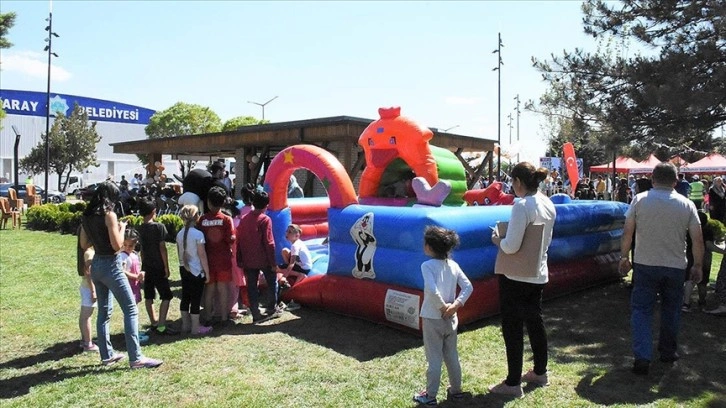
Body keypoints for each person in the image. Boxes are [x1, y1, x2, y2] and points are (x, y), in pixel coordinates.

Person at [619, 162, 703, 375]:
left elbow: (627, 232)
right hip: (675, 266)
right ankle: (667, 351)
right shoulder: (686, 205)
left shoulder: (640, 200)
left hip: (645, 264)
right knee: (671, 310)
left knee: (641, 310)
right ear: (676, 181)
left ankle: (642, 356)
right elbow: (697, 239)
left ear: (653, 179)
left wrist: (623, 256)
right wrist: (698, 265)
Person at [489, 162, 556, 398]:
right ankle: (540, 371)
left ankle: (513, 382)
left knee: (513, 327)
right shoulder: (548, 203)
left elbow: (511, 246)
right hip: (537, 273)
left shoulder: (521, 206)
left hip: (515, 276)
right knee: (535, 322)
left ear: (518, 182)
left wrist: (497, 239)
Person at [79, 181, 162, 369]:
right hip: (111, 264)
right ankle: (136, 357)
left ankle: (106, 355)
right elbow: (117, 246)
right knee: (131, 309)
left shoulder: (87, 216)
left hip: (97, 265)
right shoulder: (109, 215)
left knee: (104, 311)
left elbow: (84, 244)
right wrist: (122, 227)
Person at [412, 226, 473, 406]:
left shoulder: (427, 266)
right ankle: (456, 391)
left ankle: (430, 395)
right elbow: (468, 286)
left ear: (430, 247)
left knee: (434, 358)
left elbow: (431, 289)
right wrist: (455, 306)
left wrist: (442, 307)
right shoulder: (453, 265)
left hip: (433, 318)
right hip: (451, 319)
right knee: (452, 355)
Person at [236, 190, 279, 323]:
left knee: (252, 286)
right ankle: (271, 307)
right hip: (264, 259)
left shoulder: (244, 219)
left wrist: (240, 258)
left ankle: (255, 312)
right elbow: (269, 242)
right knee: (272, 282)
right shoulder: (265, 219)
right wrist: (273, 263)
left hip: (248, 259)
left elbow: (240, 239)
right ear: (266, 205)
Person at [136, 198, 176, 335]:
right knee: (166, 296)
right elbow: (162, 248)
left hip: (146, 266)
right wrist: (166, 266)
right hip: (158, 265)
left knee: (149, 296)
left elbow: (141, 249)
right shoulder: (159, 227)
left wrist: (143, 264)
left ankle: (153, 322)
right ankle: (162, 324)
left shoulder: (140, 228)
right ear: (154, 211)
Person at [198, 186, 236, 325]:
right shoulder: (227, 219)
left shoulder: (201, 220)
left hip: (207, 261)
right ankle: (225, 318)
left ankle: (208, 317)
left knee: (209, 289)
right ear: (223, 203)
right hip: (223, 259)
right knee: (222, 288)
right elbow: (231, 239)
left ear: (208, 201)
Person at [176, 204, 213, 335]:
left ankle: (185, 325)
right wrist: (207, 273)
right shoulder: (198, 234)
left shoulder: (179, 234)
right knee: (196, 299)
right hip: (196, 271)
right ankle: (195, 327)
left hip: (183, 269)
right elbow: (202, 255)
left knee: (185, 297)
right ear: (196, 217)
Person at [683, 211, 722, 313]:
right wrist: (721, 251)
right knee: (703, 283)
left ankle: (686, 303)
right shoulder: (708, 231)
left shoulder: (688, 229)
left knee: (689, 280)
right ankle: (702, 302)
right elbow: (708, 244)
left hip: (691, 256)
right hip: (705, 258)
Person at [119, 228, 150, 345]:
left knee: (135, 310)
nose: (127, 247)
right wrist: (135, 276)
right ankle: (132, 334)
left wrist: (141, 274)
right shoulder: (122, 256)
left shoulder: (134, 255)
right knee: (131, 311)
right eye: (125, 244)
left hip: (135, 286)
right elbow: (122, 271)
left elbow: (138, 268)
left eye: (130, 245)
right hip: (127, 287)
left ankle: (134, 331)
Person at [77, 236, 98, 353]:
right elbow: (88, 273)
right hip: (88, 288)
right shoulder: (90, 253)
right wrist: (93, 290)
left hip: (88, 287)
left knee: (85, 315)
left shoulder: (90, 252)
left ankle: (85, 340)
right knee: (86, 316)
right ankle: (88, 344)